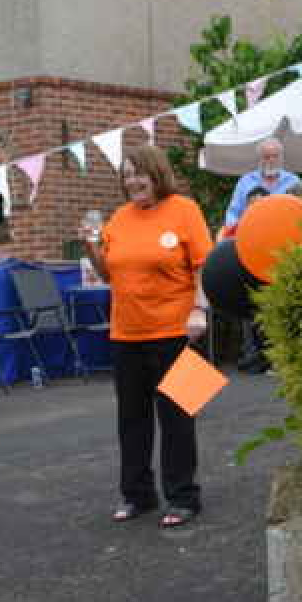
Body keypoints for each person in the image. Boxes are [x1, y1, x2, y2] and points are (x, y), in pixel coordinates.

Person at [80, 145, 213, 529]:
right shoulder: (119, 218)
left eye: (138, 173)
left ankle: (184, 496)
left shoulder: (184, 210)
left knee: (178, 418)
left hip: (178, 331)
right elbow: (108, 275)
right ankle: (137, 494)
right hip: (127, 333)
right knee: (131, 419)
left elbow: (203, 265)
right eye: (125, 175)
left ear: (156, 174)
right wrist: (92, 249)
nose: (131, 182)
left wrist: (199, 310)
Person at [220, 139, 302, 374]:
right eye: (266, 157)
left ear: (282, 158)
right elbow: (232, 215)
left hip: (286, 255)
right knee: (252, 304)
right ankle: (254, 355)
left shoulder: (294, 182)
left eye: (274, 156)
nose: (270, 161)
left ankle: (285, 359)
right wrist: (237, 231)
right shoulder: (246, 182)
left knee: (285, 305)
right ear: (259, 159)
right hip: (252, 253)